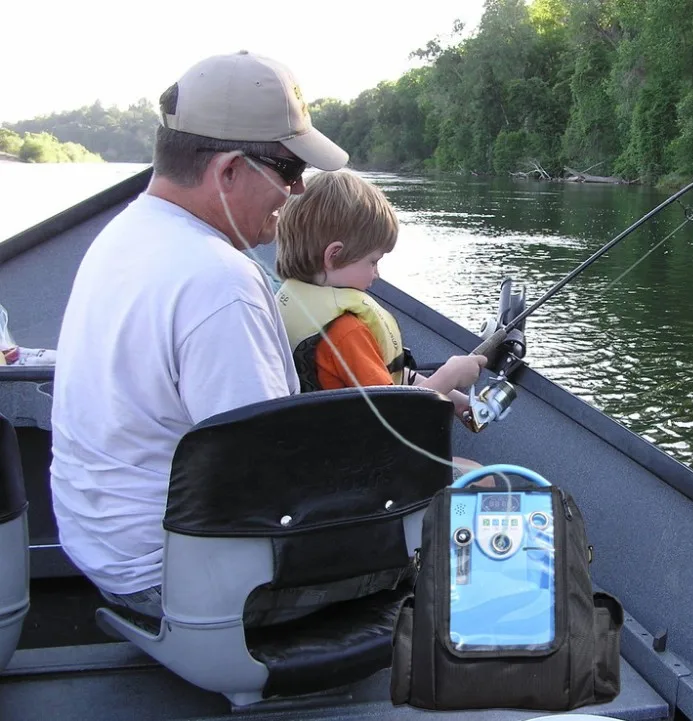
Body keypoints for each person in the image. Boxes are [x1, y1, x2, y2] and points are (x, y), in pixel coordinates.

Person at [49, 51, 358, 626]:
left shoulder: (125, 232)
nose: (296, 193)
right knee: (451, 508)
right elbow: (272, 486)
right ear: (230, 170)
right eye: (290, 173)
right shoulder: (219, 280)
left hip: (102, 556)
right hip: (182, 586)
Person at [273, 170, 487, 479]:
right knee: (481, 477)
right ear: (334, 256)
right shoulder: (345, 331)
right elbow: (398, 414)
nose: (377, 273)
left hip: (321, 454)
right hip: (358, 471)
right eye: (372, 261)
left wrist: (454, 400)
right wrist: (451, 374)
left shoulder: (296, 299)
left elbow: (382, 379)